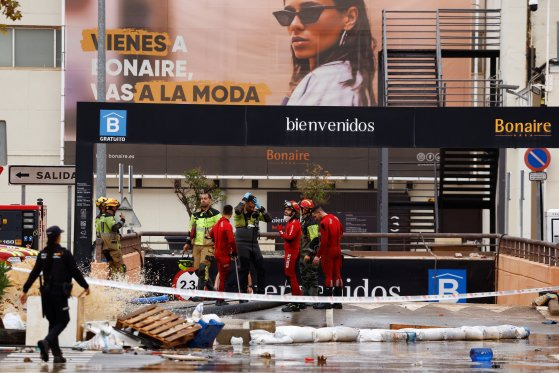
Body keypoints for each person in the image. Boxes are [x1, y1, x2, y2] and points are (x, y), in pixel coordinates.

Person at [273, 0, 375, 106]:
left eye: (310, 12)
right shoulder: (350, 76)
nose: (294, 25)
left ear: (350, 17)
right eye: (287, 15)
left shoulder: (329, 78)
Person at [20, 225, 90, 363]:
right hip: (59, 293)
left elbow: (34, 273)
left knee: (53, 322)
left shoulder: (43, 254)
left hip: (46, 294)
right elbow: (75, 271)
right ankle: (46, 342)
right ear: (58, 237)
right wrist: (85, 286)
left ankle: (57, 355)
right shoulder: (64, 253)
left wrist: (25, 290)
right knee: (63, 320)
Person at [233, 193, 272, 295]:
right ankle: (243, 294)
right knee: (244, 270)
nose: (252, 208)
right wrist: (244, 199)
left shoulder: (256, 213)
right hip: (241, 244)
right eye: (250, 206)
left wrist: (261, 207)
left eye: (254, 206)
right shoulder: (239, 212)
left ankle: (261, 293)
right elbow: (237, 209)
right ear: (245, 204)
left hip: (254, 244)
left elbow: (269, 219)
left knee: (261, 268)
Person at [183, 192, 221, 294]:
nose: (203, 200)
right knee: (196, 270)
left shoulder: (216, 214)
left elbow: (220, 229)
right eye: (201, 199)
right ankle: (213, 291)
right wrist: (187, 243)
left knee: (203, 269)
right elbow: (190, 229)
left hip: (209, 245)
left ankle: (200, 294)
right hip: (196, 245)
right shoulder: (195, 214)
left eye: (205, 198)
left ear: (210, 200)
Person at [312, 206, 344, 309]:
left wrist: (317, 256)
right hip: (337, 250)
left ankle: (327, 303)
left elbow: (324, 242)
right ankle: (338, 302)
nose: (315, 218)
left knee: (328, 276)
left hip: (328, 252)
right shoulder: (335, 218)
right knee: (337, 275)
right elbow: (341, 232)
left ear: (319, 212)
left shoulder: (323, 223)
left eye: (315, 216)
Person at [277, 200, 303, 312]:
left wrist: (280, 232)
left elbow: (290, 237)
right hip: (290, 252)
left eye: (288, 210)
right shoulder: (291, 223)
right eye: (286, 209)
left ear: (293, 212)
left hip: (291, 253)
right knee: (291, 275)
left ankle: (295, 303)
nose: (285, 211)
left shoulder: (294, 223)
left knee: (290, 275)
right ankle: (298, 300)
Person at [210, 204, 237, 306]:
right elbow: (231, 240)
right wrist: (234, 251)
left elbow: (210, 234)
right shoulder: (227, 225)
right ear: (231, 213)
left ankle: (219, 299)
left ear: (222, 212)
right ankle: (220, 300)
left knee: (221, 275)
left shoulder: (217, 224)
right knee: (223, 277)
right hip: (224, 254)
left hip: (217, 253)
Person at [96, 198, 126, 279]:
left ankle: (112, 284)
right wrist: (122, 220)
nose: (116, 209)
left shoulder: (100, 218)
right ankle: (120, 285)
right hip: (112, 247)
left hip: (105, 248)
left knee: (112, 267)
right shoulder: (109, 217)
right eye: (115, 207)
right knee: (121, 268)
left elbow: (98, 233)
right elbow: (114, 228)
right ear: (111, 207)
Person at [298, 198, 320, 307]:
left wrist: (309, 254)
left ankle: (312, 300)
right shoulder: (304, 220)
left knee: (311, 277)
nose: (300, 210)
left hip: (308, 255)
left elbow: (315, 239)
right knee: (304, 277)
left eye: (301, 208)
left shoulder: (311, 222)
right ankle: (305, 299)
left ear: (306, 209)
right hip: (302, 254)